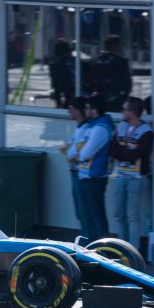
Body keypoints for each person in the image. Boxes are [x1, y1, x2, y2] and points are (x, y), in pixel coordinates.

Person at [110, 96, 154, 250]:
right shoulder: (121, 126)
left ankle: (133, 252)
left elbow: (136, 155)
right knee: (119, 215)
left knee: (132, 216)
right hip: (120, 176)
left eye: (124, 109)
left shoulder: (146, 132)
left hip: (136, 178)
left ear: (132, 112)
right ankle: (122, 249)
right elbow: (112, 149)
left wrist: (123, 152)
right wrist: (127, 152)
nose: (122, 112)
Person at [75, 95, 114, 242]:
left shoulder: (101, 128)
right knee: (88, 215)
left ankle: (103, 247)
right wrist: (78, 152)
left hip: (94, 178)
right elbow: (76, 149)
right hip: (85, 177)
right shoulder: (91, 126)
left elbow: (85, 153)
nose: (85, 110)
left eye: (87, 108)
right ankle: (90, 245)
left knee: (97, 215)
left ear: (95, 110)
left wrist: (78, 153)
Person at [63, 96, 91, 239]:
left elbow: (74, 153)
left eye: (71, 108)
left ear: (78, 110)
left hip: (80, 173)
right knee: (80, 213)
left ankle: (87, 241)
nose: (68, 111)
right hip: (75, 172)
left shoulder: (86, 129)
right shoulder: (79, 128)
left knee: (84, 212)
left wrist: (70, 152)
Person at [88, 34, 132, 112]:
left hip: (97, 102)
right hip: (116, 102)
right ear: (116, 47)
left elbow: (89, 82)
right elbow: (127, 85)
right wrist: (123, 99)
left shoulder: (93, 61)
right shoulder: (121, 62)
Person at [49, 38, 76, 109]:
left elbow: (56, 85)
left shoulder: (56, 65)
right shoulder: (76, 61)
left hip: (67, 97)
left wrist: (58, 102)